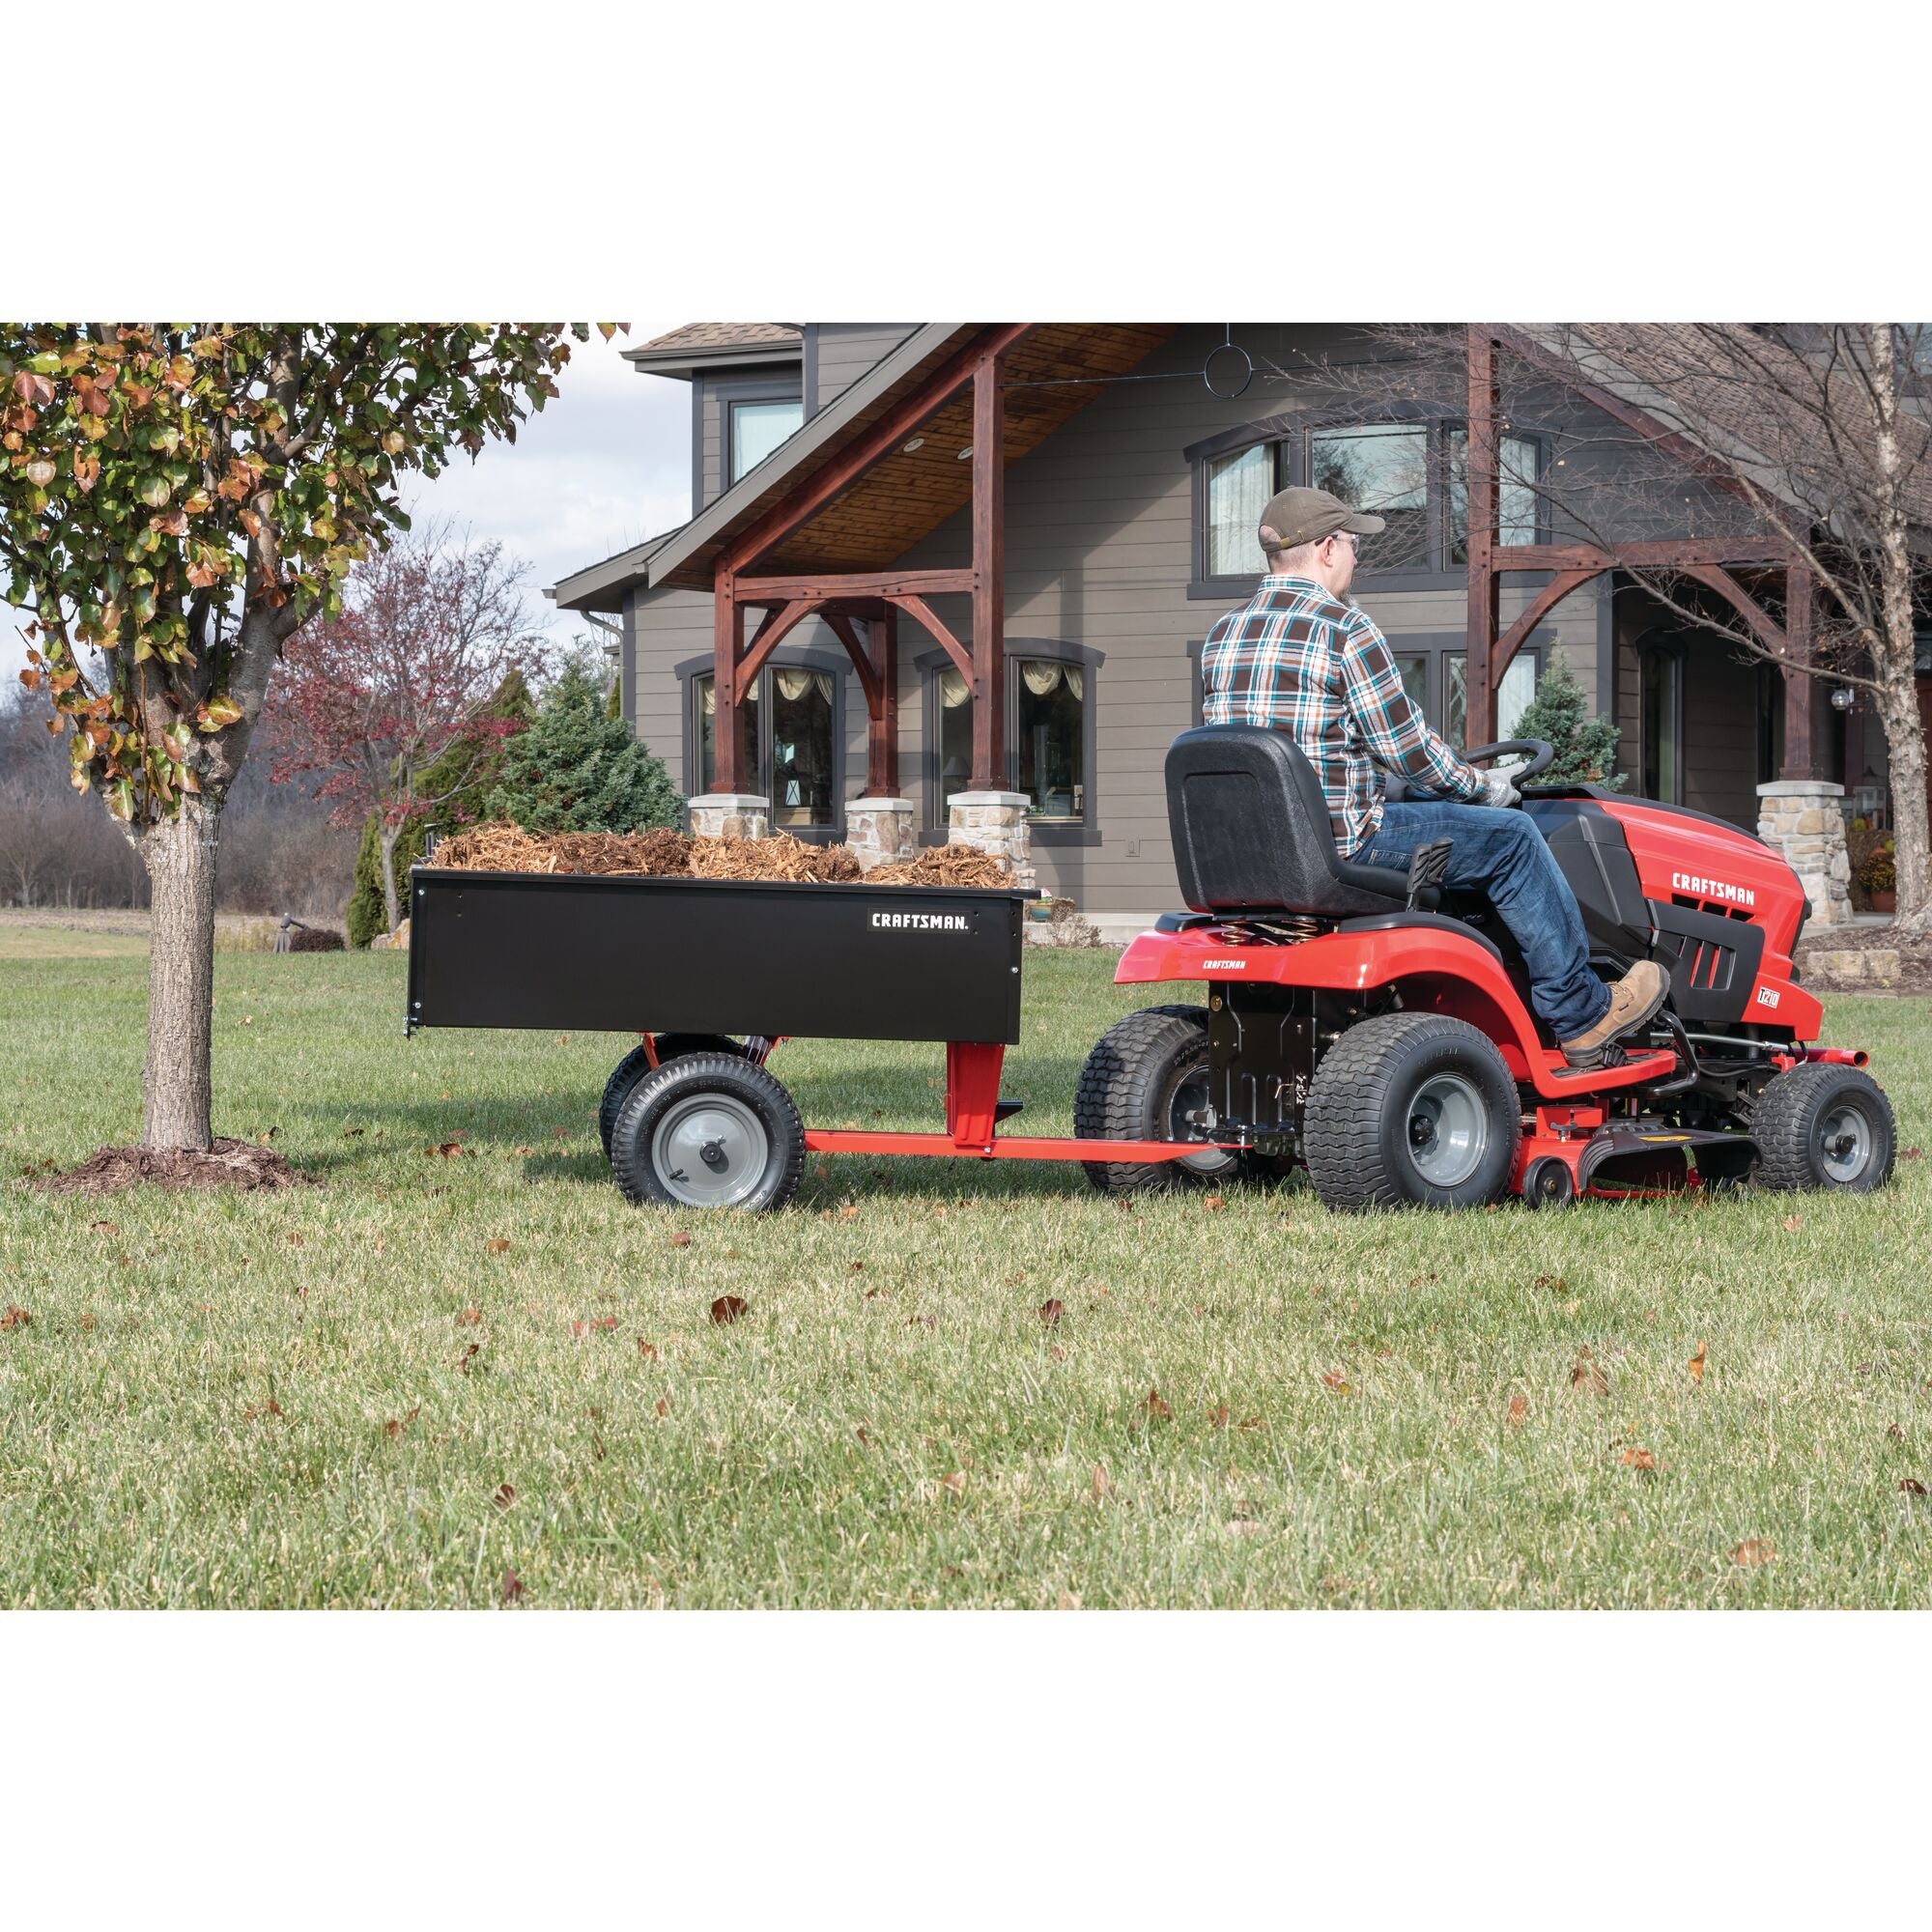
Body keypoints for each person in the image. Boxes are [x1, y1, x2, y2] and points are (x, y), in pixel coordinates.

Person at [1200, 485, 1665, 1067]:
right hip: (1342, 844)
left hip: (1253, 855)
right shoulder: (1344, 630)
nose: (1355, 556)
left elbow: (1291, 753)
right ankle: (1582, 1012)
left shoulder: (1224, 635)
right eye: (1349, 543)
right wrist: (1488, 789)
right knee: (1515, 841)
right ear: (1324, 549)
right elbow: (1408, 752)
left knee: (1448, 819)